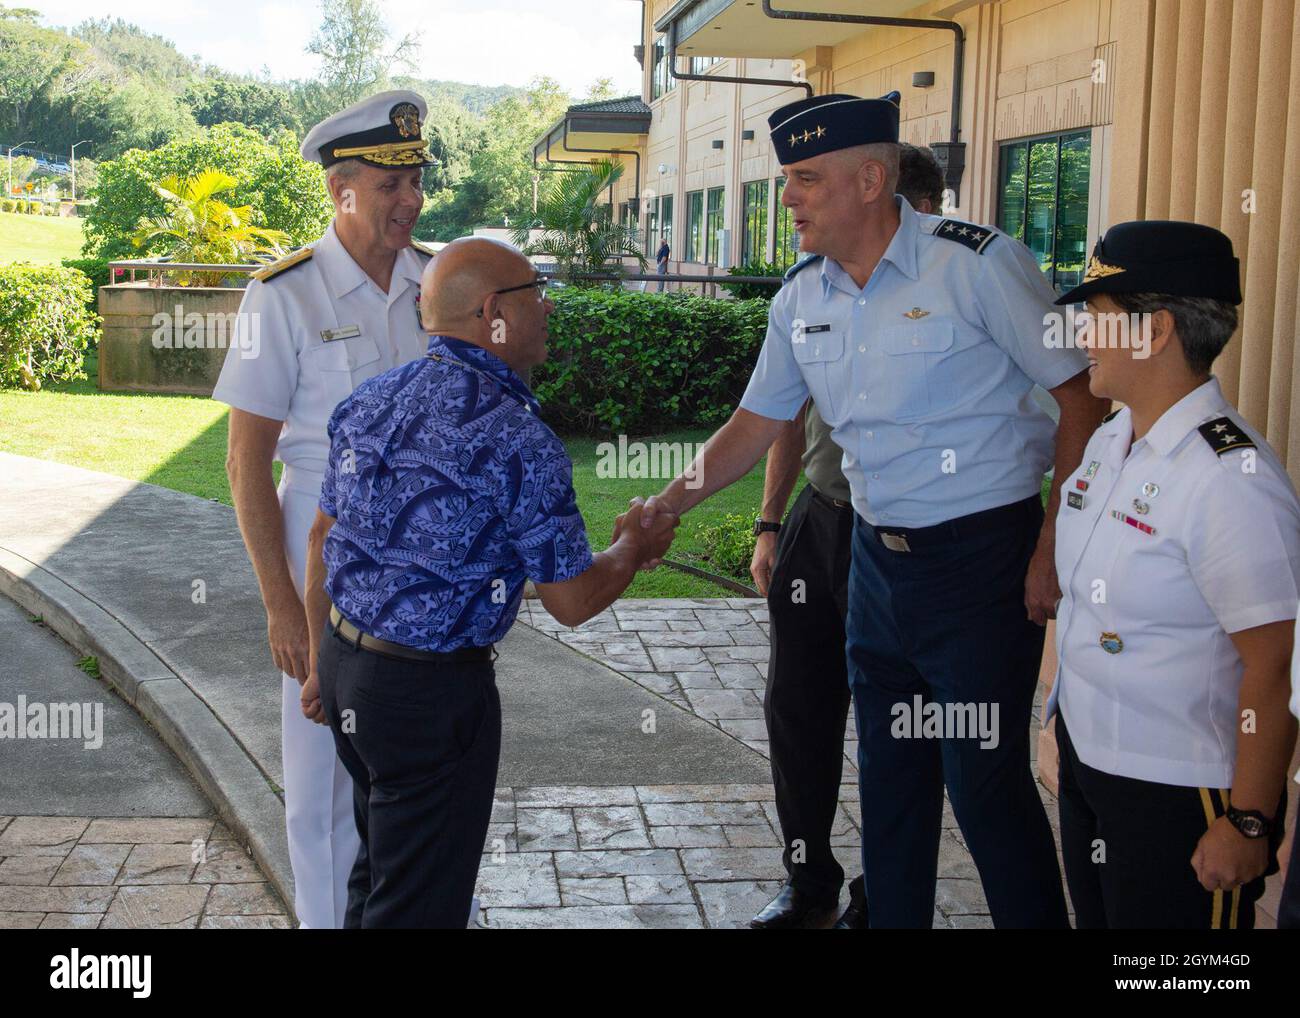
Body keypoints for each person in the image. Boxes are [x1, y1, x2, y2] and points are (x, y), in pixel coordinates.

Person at [636, 91, 1106, 928]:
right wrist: (670, 502)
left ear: (869, 178)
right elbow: (757, 423)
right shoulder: (801, 298)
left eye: (805, 179)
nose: (788, 199)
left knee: (985, 782)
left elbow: (1079, 397)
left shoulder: (976, 265)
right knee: (889, 781)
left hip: (980, 563)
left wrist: (1053, 541)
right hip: (875, 567)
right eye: (788, 180)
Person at [297, 237, 678, 928]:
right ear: (495, 312)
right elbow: (572, 600)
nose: (548, 305)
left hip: (349, 667)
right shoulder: (516, 437)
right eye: (537, 290)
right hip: (429, 699)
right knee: (418, 907)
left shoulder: (374, 399)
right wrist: (633, 544)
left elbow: (324, 538)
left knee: (382, 878)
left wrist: (325, 661)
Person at [211, 89, 437, 929]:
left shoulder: (437, 285)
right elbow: (245, 463)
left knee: (422, 774)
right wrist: (281, 606)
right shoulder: (285, 295)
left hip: (426, 568)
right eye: (391, 184)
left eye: (416, 179)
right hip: (325, 567)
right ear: (342, 188)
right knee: (322, 789)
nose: (411, 199)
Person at [1048, 220, 1300, 929]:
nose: (1082, 337)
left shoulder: (1231, 480)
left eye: (1096, 318)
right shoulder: (1113, 437)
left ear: (1154, 331)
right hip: (1093, 760)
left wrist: (1249, 820)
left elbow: (1274, 667)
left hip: (1179, 792)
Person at [747, 142, 946, 930]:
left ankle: (886, 895)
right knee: (798, 710)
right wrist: (769, 523)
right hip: (820, 523)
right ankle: (808, 881)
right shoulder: (819, 289)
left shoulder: (962, 290)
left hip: (905, 541)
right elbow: (779, 416)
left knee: (900, 725)